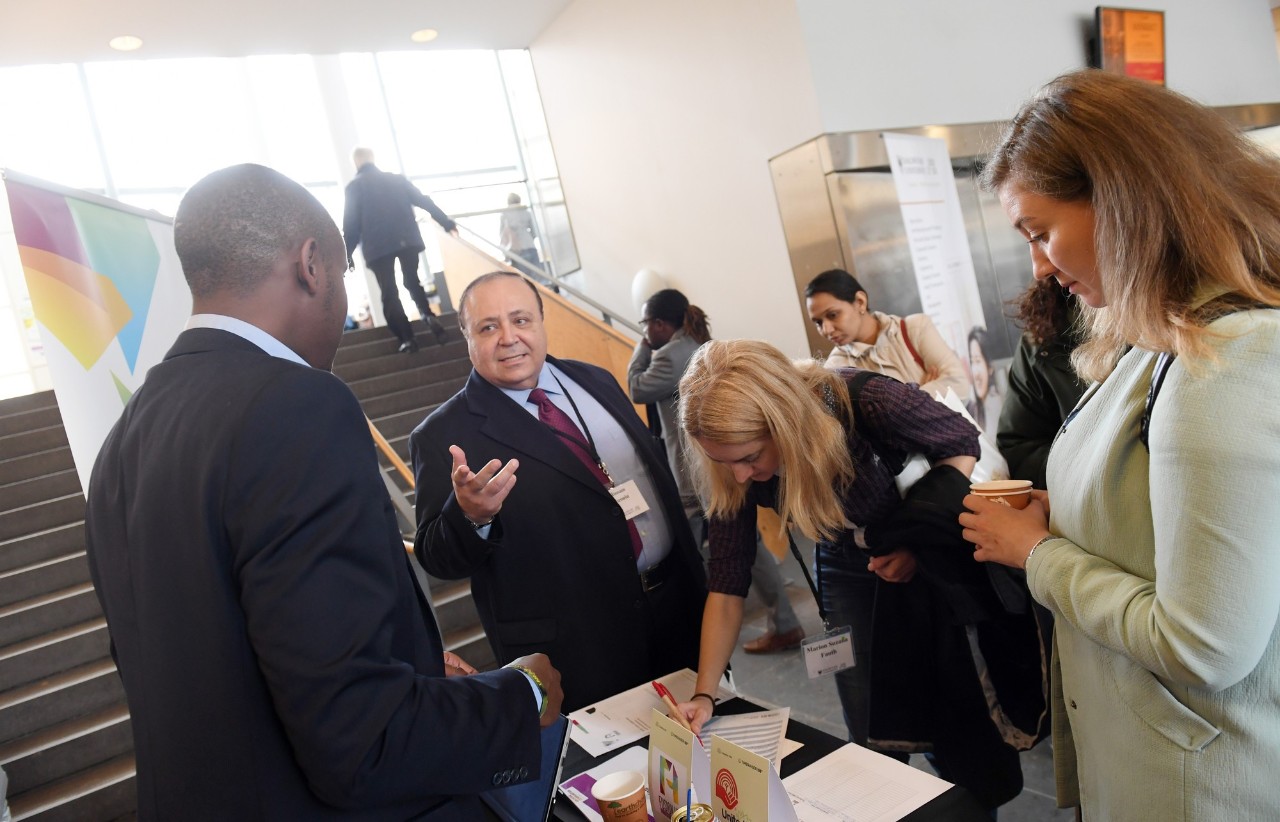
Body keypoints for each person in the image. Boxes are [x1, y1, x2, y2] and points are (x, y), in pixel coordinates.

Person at [84, 164, 562, 820]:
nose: (340, 299)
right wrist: (522, 696)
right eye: (341, 276)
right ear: (311, 265)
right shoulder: (297, 407)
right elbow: (361, 739)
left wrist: (411, 669)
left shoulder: (124, 439)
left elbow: (212, 653)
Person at [961, 69, 1280, 820]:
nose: (1039, 264)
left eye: (1041, 232)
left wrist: (1038, 553)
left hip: (1194, 783)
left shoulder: (1220, 364)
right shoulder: (1165, 335)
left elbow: (1203, 647)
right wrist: (1068, 511)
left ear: (1125, 201)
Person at [674, 341, 1040, 810]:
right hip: (847, 560)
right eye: (723, 462)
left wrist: (914, 542)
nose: (741, 476)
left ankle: (972, 801)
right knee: (870, 719)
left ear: (785, 421)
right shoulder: (731, 465)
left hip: (927, 552)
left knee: (953, 703)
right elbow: (726, 582)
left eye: (749, 458)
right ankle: (884, 802)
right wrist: (706, 693)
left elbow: (960, 443)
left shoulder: (871, 402)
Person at [411, 271, 707, 712]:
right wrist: (470, 517)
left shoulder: (597, 381)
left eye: (521, 320)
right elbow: (437, 555)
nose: (509, 338)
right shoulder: (443, 434)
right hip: (580, 651)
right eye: (488, 327)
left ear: (542, 321)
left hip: (677, 611)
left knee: (704, 757)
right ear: (467, 338)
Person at [626, 289, 802, 654]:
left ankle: (700, 635)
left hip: (697, 475)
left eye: (647, 323)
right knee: (745, 546)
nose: (645, 330)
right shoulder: (701, 344)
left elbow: (636, 387)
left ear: (659, 324)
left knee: (691, 555)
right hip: (715, 471)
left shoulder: (670, 355)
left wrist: (642, 346)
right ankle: (782, 621)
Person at [343, 147, 453, 353]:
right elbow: (423, 200)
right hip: (407, 239)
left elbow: (351, 225)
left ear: (356, 163)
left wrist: (346, 254)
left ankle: (407, 338)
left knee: (389, 292)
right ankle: (428, 316)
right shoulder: (396, 180)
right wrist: (445, 221)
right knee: (412, 281)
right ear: (373, 159)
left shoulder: (354, 187)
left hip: (377, 247)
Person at [805, 268, 971, 401]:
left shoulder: (915, 328)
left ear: (860, 302)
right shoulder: (836, 368)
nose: (826, 330)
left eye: (833, 315)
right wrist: (922, 394)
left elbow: (959, 385)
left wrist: (896, 405)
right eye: (818, 322)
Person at [995, 279, 1086, 489]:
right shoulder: (1042, 336)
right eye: (1030, 244)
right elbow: (1019, 447)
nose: (1039, 268)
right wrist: (1086, 471)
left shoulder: (1164, 324)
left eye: (1045, 243)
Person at [499, 192, 545, 282]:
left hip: (516, 249)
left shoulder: (505, 214)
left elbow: (502, 233)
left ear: (508, 202)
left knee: (522, 279)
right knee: (537, 278)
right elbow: (534, 232)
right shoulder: (526, 212)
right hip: (530, 245)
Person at [964, 326, 998, 431]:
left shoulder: (997, 406)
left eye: (978, 361)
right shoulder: (972, 409)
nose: (975, 372)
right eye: (972, 361)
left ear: (990, 367)